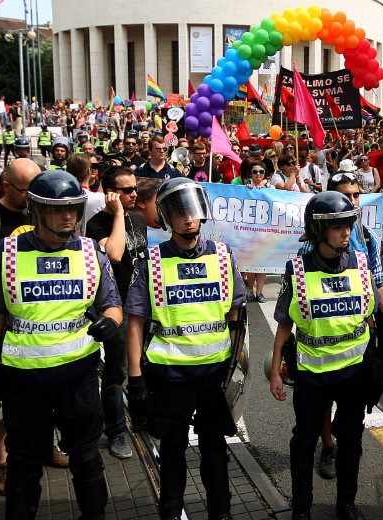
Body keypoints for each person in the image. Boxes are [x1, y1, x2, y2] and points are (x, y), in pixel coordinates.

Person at [0, 169, 120, 519]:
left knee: (86, 458)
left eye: (73, 208)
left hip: (79, 377)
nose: (68, 216)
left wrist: (111, 323)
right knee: (24, 464)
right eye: (57, 209)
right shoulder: (4, 255)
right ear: (36, 210)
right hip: (24, 381)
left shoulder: (92, 253)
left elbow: (112, 305)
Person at [125, 178, 246, 520]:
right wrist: (135, 379)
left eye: (192, 210)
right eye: (179, 213)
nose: (189, 219)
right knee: (172, 451)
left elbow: (236, 317)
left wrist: (236, 366)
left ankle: (221, 512)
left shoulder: (222, 256)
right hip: (170, 376)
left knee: (215, 449)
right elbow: (135, 322)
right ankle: (170, 512)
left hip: (214, 375)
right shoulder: (150, 261)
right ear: (166, 218)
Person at [270, 190, 378, 520]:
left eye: (348, 225)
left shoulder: (361, 264)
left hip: (353, 373)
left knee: (351, 438)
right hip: (311, 375)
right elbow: (284, 324)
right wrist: (275, 371)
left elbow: (371, 317)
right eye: (336, 226)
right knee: (304, 441)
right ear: (318, 230)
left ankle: (347, 503)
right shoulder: (297, 270)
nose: (346, 232)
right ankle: (301, 509)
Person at [85, 166, 147, 460]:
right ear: (110, 194)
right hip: (116, 306)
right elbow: (114, 254)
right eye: (127, 190)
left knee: (143, 363)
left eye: (135, 188)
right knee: (116, 371)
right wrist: (118, 214)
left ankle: (142, 416)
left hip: (142, 304)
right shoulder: (96, 224)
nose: (134, 194)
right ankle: (116, 431)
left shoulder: (138, 218)